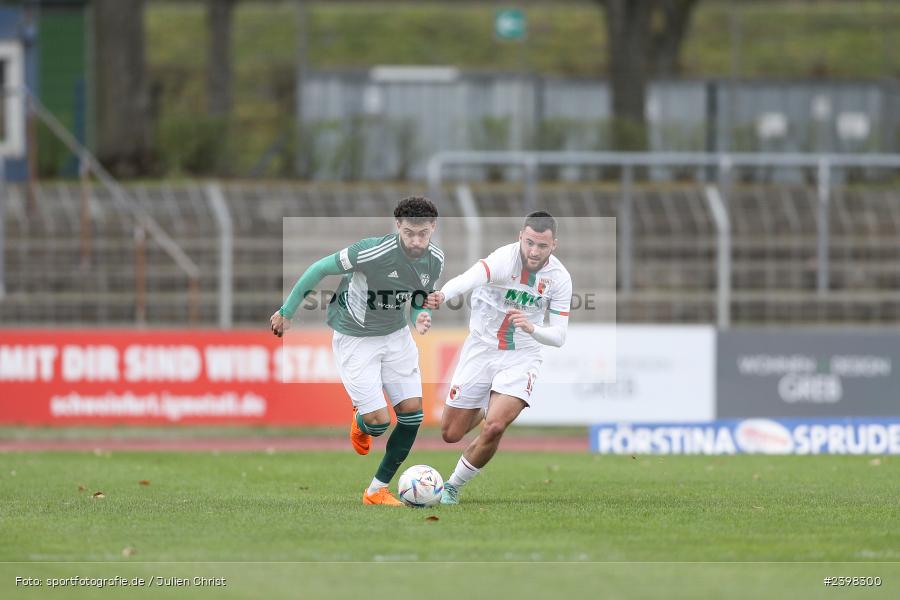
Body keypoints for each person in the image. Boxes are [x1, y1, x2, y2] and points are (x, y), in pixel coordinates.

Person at [270, 197, 443, 506]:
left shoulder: (435, 259)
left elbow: (418, 297)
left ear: (433, 228)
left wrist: (419, 318)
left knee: (412, 416)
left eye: (423, 234)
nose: (416, 241)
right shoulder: (372, 251)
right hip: (356, 338)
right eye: (409, 233)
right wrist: (287, 312)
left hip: (396, 336)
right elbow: (319, 268)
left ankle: (376, 490)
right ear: (398, 227)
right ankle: (362, 421)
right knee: (378, 424)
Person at [424, 211, 571, 505]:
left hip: (522, 355)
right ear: (520, 237)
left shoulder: (559, 279)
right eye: (529, 243)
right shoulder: (504, 260)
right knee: (451, 433)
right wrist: (443, 294)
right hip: (481, 349)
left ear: (554, 245)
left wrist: (533, 328)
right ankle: (484, 405)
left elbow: (559, 336)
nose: (534, 251)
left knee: (495, 426)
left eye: (542, 246)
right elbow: (469, 279)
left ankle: (452, 486)